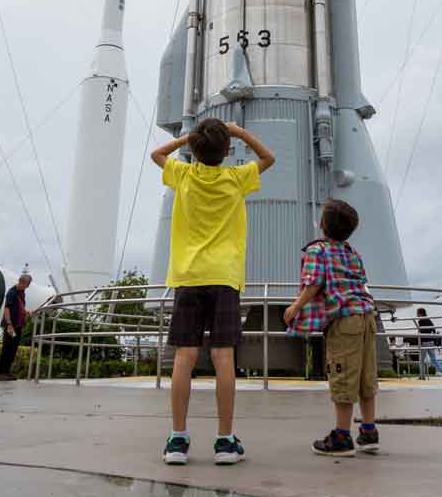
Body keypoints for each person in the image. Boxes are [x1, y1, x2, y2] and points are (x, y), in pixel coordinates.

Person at [150, 119, 274, 467]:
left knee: (184, 357)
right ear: (226, 151)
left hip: (188, 276)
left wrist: (189, 137)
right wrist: (238, 132)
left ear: (194, 149)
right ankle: (224, 440)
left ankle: (177, 439)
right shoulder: (236, 178)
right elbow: (269, 158)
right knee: (223, 358)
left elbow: (156, 154)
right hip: (224, 276)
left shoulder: (183, 175)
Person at [283, 199, 380, 457]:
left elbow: (314, 283)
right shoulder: (352, 252)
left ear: (323, 225)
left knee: (343, 376)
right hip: (367, 316)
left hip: (344, 319)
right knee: (366, 377)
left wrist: (295, 307)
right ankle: (369, 432)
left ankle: (341, 436)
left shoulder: (318, 251)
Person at [0, 273, 31, 381]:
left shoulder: (21, 293)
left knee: (13, 349)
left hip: (18, 326)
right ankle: (0, 373)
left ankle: (7, 372)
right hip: (11, 326)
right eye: (26, 285)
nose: (26, 287)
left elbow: (20, 307)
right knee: (7, 348)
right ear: (22, 282)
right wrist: (9, 325)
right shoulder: (12, 293)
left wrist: (26, 313)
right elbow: (7, 309)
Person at [414, 307, 442, 381]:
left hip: (424, 342)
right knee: (433, 359)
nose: (417, 314)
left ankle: (422, 376)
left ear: (421, 313)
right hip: (431, 342)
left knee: (421, 360)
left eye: (417, 313)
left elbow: (421, 332)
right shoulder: (429, 320)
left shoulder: (421, 321)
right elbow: (433, 329)